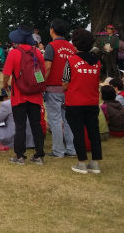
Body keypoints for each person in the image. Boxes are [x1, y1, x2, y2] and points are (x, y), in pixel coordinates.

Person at [2, 26, 46, 165]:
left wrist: (4, 85)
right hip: (35, 94)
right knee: (36, 125)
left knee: (20, 125)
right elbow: (42, 72)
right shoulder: (37, 52)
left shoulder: (14, 53)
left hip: (19, 95)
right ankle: (39, 155)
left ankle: (19, 155)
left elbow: (6, 74)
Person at [61, 29, 103, 174]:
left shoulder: (71, 60)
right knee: (94, 133)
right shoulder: (97, 61)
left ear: (75, 44)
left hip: (74, 103)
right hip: (92, 102)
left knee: (78, 133)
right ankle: (95, 163)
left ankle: (81, 163)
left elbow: (65, 82)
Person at [43, 18, 77, 158]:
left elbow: (48, 67)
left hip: (53, 87)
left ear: (52, 30)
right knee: (68, 120)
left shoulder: (51, 46)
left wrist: (41, 83)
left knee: (55, 120)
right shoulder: (71, 48)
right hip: (68, 88)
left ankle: (58, 151)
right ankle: (71, 149)